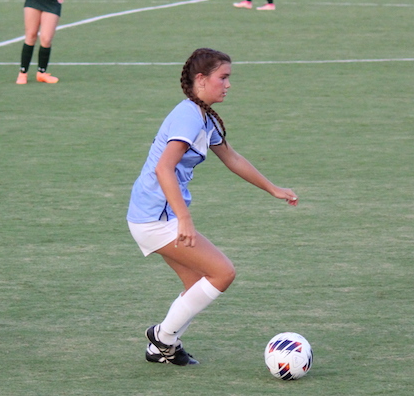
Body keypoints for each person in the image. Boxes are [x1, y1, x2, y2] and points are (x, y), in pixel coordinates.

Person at [127, 48, 298, 366]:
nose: (228, 84)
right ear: (201, 80)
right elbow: (163, 168)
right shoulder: (188, 116)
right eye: (223, 77)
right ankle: (162, 338)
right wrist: (184, 219)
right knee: (223, 273)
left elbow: (232, 158)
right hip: (155, 217)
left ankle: (161, 347)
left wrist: (273, 189)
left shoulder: (204, 117)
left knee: (197, 285)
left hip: (152, 214)